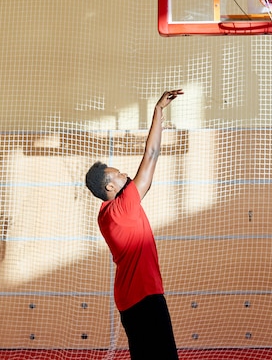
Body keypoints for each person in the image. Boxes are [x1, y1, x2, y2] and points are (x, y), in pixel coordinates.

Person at [85, 90, 183, 360]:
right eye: (118, 175)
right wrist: (158, 112)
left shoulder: (105, 215)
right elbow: (151, 155)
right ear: (109, 187)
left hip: (128, 302)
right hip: (145, 296)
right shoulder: (124, 205)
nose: (125, 174)